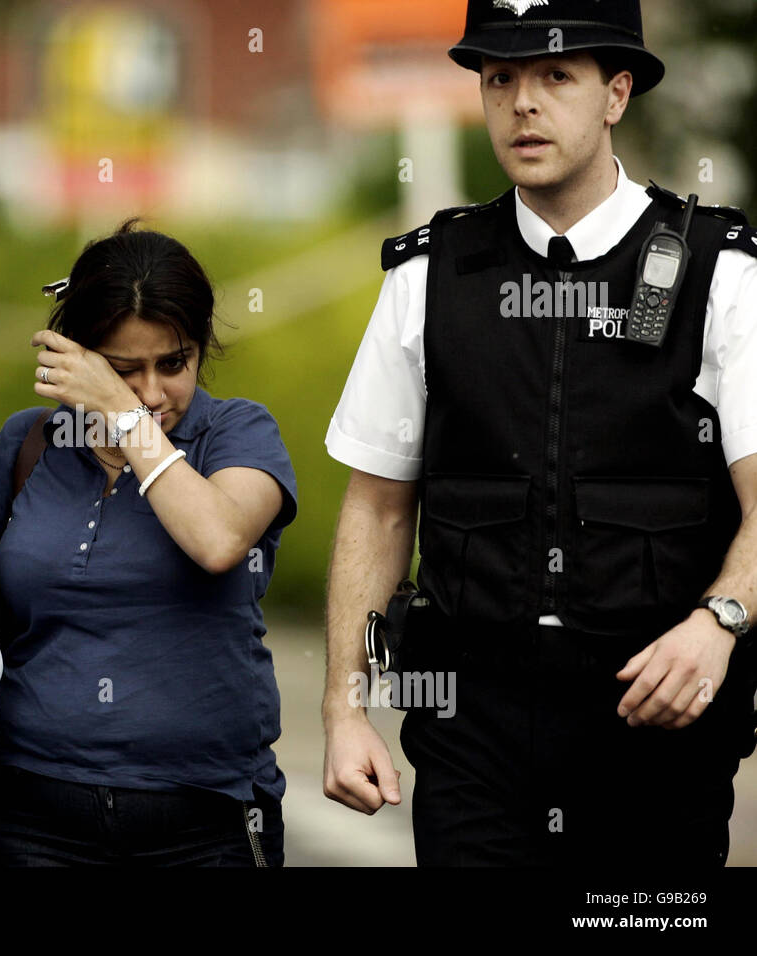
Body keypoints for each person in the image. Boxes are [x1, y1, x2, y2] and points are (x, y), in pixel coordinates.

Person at [322, 0, 757, 866]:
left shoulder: (723, 273)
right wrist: (344, 707)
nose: (523, 102)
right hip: (470, 731)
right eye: (500, 78)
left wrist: (721, 620)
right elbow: (374, 511)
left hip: (654, 733)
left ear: (617, 93)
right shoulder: (428, 276)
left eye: (556, 75)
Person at [0, 222, 298, 866]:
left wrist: (122, 413)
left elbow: (219, 540)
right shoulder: (28, 445)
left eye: (174, 363)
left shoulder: (236, 433)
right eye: (122, 370)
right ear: (75, 356)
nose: (152, 393)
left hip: (205, 821)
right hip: (36, 817)